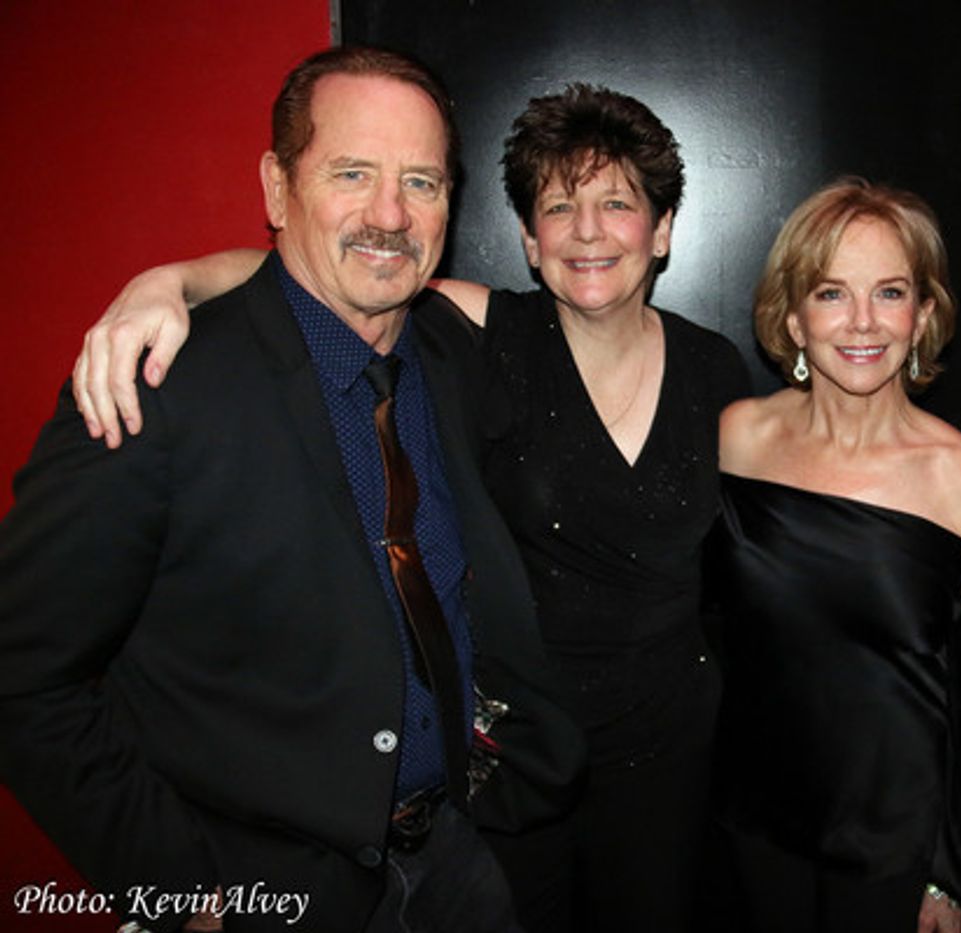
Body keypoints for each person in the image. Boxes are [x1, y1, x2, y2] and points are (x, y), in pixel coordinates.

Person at [69, 84, 750, 933]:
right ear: (531, 243)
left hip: (666, 755)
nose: (587, 230)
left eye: (617, 203)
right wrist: (165, 282)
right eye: (558, 207)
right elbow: (326, 270)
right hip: (515, 755)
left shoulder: (716, 371)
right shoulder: (477, 330)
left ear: (663, 229)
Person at [0, 46, 588, 933]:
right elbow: (21, 673)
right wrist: (179, 893)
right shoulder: (153, 387)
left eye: (421, 182)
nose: (389, 214)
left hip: (461, 866)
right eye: (352, 172)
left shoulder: (453, 358)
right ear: (278, 188)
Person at [710, 178, 961, 932]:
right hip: (750, 828)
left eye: (889, 292)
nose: (862, 322)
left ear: (925, 312)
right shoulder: (740, 437)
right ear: (791, 314)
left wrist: (949, 876)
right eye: (831, 293)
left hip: (895, 856)